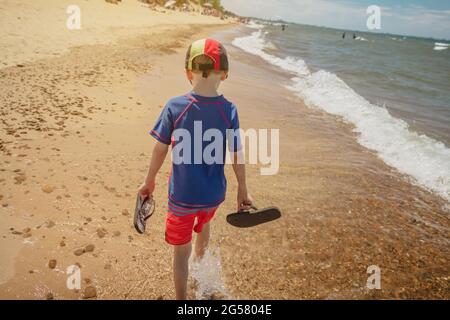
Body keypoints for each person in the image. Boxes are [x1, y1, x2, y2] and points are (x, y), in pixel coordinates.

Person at [138, 38, 253, 300]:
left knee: (181, 252)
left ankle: (183, 302)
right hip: (213, 196)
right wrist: (243, 190)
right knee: (204, 224)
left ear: (188, 73)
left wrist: (149, 181)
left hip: (181, 198)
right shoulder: (229, 110)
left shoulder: (175, 106)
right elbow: (237, 154)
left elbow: (160, 149)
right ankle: (201, 274)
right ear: (225, 73)